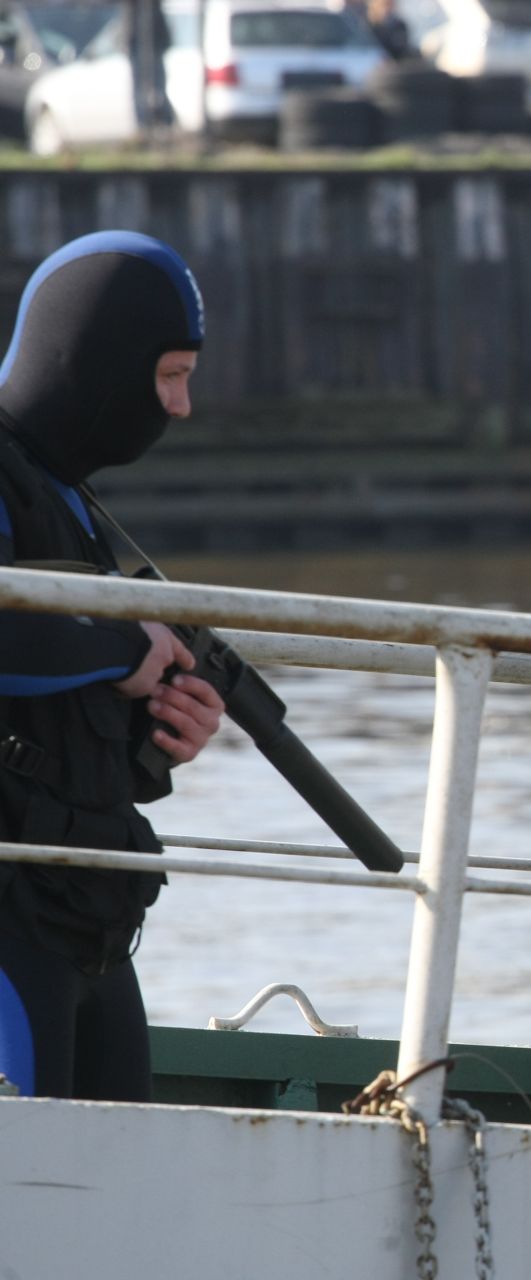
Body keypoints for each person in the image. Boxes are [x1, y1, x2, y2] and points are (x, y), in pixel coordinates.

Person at [0, 231, 225, 1100]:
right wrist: (120, 646)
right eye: (170, 375)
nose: (180, 406)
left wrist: (161, 725)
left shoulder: (68, 503)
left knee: (115, 1196)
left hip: (88, 917)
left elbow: (55, 715)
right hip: (13, 920)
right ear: (99, 363)